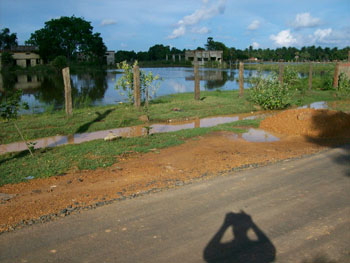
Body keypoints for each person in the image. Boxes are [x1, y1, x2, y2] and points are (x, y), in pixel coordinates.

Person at [203, 210, 276, 263]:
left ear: (233, 229)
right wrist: (252, 224)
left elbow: (208, 254)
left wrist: (225, 225)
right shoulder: (256, 249)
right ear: (248, 227)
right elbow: (270, 250)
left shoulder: (227, 250)